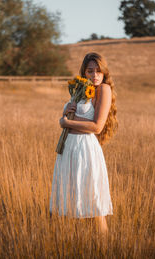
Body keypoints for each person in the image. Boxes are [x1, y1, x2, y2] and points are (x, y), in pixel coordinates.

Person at [49, 52, 118, 234]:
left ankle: (105, 251)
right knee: (71, 202)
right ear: (84, 72)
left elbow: (97, 127)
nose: (94, 75)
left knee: (93, 205)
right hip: (69, 149)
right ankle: (78, 245)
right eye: (90, 71)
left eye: (98, 71)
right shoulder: (80, 88)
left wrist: (65, 122)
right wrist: (66, 110)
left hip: (86, 150)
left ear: (104, 74)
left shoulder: (104, 89)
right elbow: (74, 114)